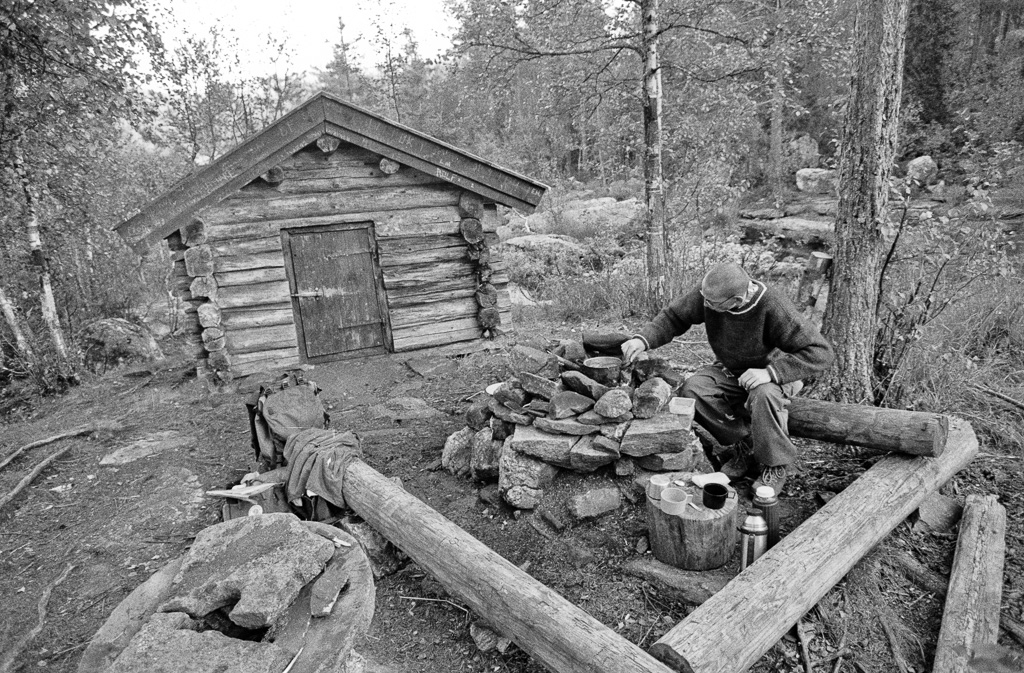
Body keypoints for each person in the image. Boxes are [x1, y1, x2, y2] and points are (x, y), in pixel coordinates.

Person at [621, 262, 834, 493]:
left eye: (711, 304)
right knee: (694, 389)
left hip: (774, 373)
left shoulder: (773, 305)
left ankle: (775, 464)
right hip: (732, 370)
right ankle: (746, 447)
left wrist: (771, 373)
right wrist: (643, 339)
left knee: (763, 396)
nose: (704, 305)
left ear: (737, 301)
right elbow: (674, 317)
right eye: (704, 298)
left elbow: (821, 352)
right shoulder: (710, 293)